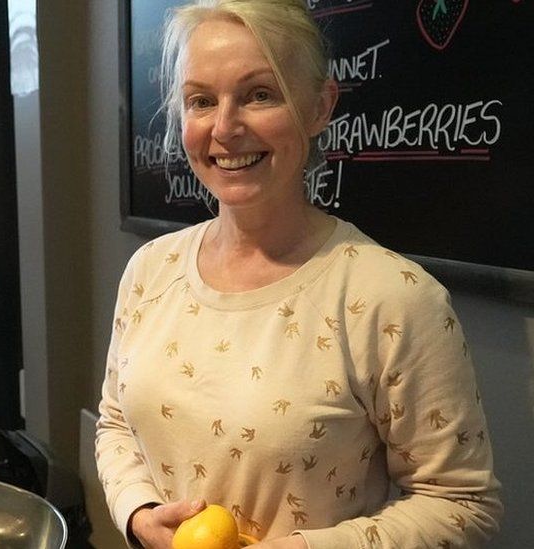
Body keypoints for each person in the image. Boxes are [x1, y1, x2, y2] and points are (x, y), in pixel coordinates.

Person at [95, 1, 501, 548]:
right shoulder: (149, 271)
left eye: (259, 94)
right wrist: (139, 513)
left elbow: (462, 506)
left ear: (319, 106)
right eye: (201, 101)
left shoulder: (393, 299)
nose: (225, 127)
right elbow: (116, 421)